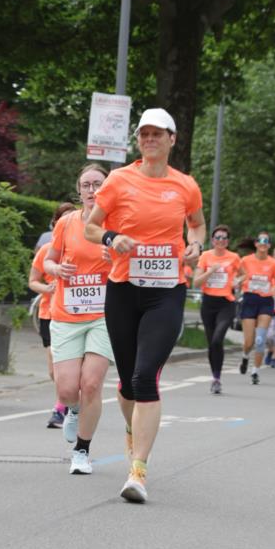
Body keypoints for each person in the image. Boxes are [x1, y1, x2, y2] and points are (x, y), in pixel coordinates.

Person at [85, 108, 205, 503]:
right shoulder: (119, 180)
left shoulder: (186, 185)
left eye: (157, 134)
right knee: (125, 382)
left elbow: (198, 224)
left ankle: (138, 471)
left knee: (144, 376)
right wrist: (111, 238)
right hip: (123, 288)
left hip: (166, 290)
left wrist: (195, 245)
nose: (150, 139)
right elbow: (91, 225)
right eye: (144, 134)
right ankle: (133, 431)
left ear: (172, 139)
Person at [44, 168, 113, 475]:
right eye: (86, 185)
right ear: (79, 190)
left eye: (97, 184)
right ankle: (72, 409)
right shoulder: (66, 223)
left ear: (106, 188)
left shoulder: (116, 223)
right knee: (68, 388)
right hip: (67, 313)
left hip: (103, 314)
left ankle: (82, 451)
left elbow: (131, 260)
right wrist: (56, 270)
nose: (91, 189)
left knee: (92, 383)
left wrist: (117, 259)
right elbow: (48, 259)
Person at [28, 201, 76, 428]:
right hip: (50, 313)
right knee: (54, 369)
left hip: (77, 315)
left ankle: (61, 409)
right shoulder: (47, 251)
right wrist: (46, 289)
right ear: (55, 224)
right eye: (62, 220)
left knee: (72, 367)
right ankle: (68, 403)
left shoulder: (84, 246)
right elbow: (32, 281)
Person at [193, 225, 242, 394]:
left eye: (224, 238)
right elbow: (196, 282)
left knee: (217, 339)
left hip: (226, 303)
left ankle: (217, 377)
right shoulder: (205, 256)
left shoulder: (234, 257)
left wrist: (238, 281)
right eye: (217, 238)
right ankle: (215, 378)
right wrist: (210, 272)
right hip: (208, 304)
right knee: (211, 343)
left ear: (228, 241)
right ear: (212, 240)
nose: (221, 240)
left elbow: (245, 274)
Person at [237, 232, 275, 384]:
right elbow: (237, 276)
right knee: (249, 342)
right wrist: (237, 282)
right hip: (250, 299)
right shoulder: (245, 260)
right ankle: (245, 357)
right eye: (260, 240)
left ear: (269, 245)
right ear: (256, 244)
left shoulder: (273, 263)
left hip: (265, 301)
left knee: (260, 338)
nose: (263, 243)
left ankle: (255, 371)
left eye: (266, 241)